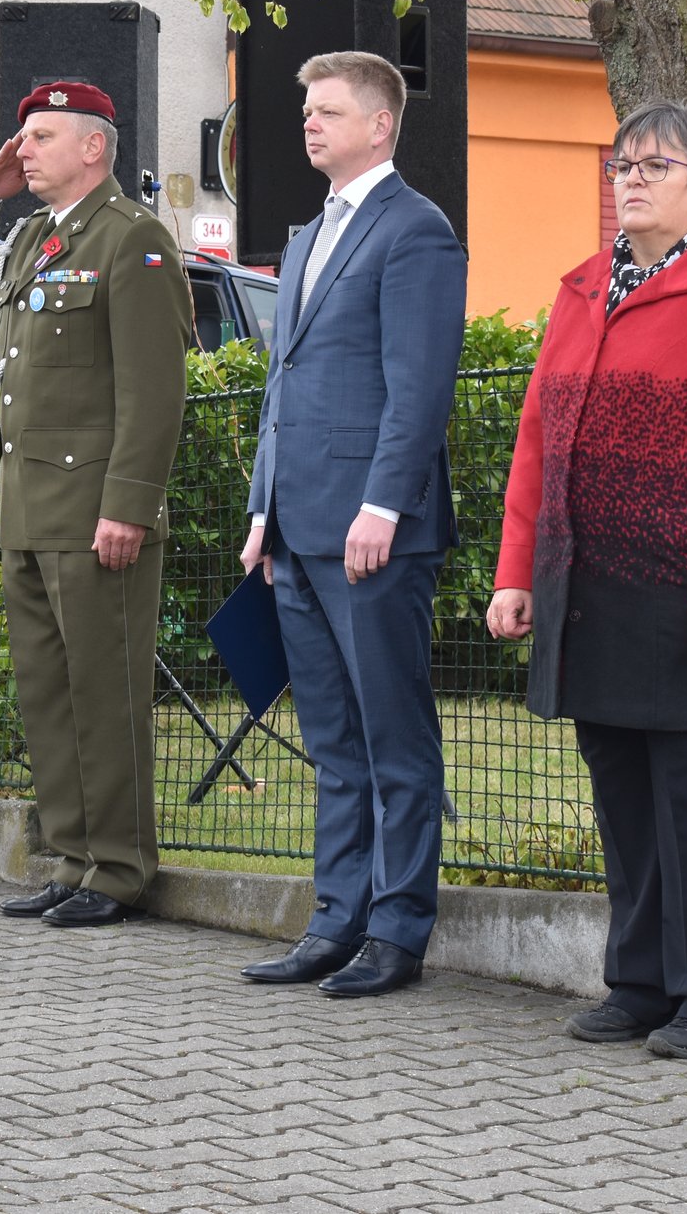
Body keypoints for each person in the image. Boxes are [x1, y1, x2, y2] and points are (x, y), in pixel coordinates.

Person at [486, 100, 687, 1059]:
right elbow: (538, 442)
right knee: (622, 794)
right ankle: (639, 981)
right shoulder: (583, 288)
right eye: (621, 164)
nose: (630, 178)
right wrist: (517, 573)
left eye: (654, 166)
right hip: (593, 591)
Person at [236, 52, 467, 998]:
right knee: (333, 741)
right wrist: (262, 507)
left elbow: (419, 388)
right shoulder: (306, 237)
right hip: (296, 527)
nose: (309, 122)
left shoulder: (417, 231)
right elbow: (282, 387)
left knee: (392, 739)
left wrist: (382, 504)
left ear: (380, 125)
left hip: (373, 533)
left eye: (328, 110)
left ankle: (397, 930)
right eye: (307, 109)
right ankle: (336, 920)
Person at [0, 81, 190, 928]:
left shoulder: (131, 238)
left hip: (94, 509)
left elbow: (153, 390)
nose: (23, 150)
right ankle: (75, 857)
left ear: (93, 147)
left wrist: (128, 505)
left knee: (103, 690)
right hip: (30, 503)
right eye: (22, 137)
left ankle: (118, 867)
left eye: (41, 136)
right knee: (49, 692)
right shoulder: (32, 238)